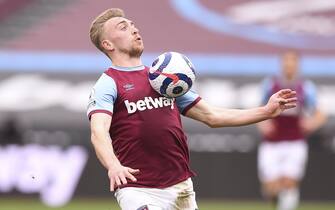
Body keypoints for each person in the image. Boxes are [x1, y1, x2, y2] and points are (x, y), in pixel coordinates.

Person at [87, 8, 297, 210]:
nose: (134, 29)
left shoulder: (162, 78)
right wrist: (113, 166)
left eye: (133, 25)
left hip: (180, 186)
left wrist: (266, 112)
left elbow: (212, 116)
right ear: (107, 44)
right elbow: (99, 132)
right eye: (123, 27)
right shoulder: (108, 83)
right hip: (138, 188)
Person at [257, 51, 327, 210]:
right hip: (271, 143)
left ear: (297, 64)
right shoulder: (270, 85)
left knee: (289, 182)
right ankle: (276, 201)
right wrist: (263, 124)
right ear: (282, 64)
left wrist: (311, 123)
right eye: (286, 61)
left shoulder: (305, 87)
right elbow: (259, 108)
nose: (289, 65)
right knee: (271, 188)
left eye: (292, 61)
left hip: (295, 142)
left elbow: (320, 114)